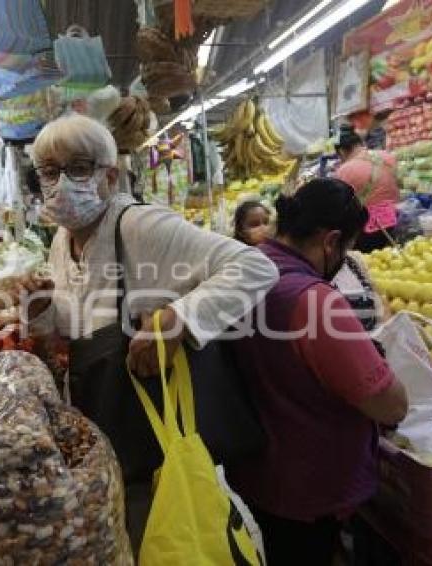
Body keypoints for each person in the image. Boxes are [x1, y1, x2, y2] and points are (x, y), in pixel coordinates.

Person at [21, 113, 279, 551]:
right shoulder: (63, 241)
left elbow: (255, 267)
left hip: (156, 442)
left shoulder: (139, 226)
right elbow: (77, 327)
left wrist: (180, 318)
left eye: (79, 168)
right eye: (49, 172)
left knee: (165, 541)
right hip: (108, 434)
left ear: (110, 176)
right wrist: (43, 310)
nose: (62, 183)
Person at [227, 178, 408, 566]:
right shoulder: (314, 301)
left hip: (255, 475)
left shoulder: (242, 270)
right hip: (306, 488)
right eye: (348, 248)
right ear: (331, 241)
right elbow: (389, 405)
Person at [334, 124, 401, 253]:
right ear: (360, 142)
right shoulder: (388, 157)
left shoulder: (344, 171)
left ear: (341, 151)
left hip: (368, 232)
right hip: (397, 218)